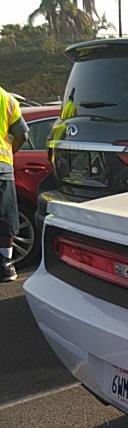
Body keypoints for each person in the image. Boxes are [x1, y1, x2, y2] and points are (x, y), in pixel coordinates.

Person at [0, 86, 29, 282]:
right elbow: (23, 134)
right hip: (2, 167)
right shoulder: (6, 98)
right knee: (6, 216)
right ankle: (6, 265)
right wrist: (10, 152)